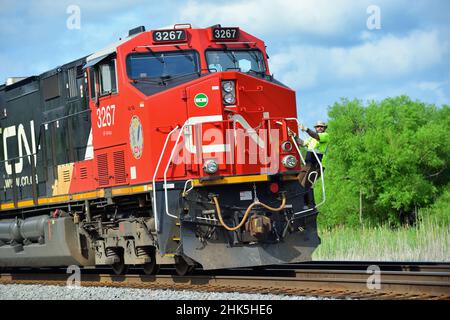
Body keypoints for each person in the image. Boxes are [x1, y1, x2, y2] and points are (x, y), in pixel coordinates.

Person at [291, 120, 330, 188]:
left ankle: (305, 197)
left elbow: (316, 136)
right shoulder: (311, 138)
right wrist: (294, 136)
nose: (320, 128)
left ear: (325, 128)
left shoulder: (325, 135)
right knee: (298, 183)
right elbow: (302, 143)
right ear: (315, 128)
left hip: (317, 165)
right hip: (308, 164)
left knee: (305, 185)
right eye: (318, 126)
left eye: (321, 127)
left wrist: (306, 129)